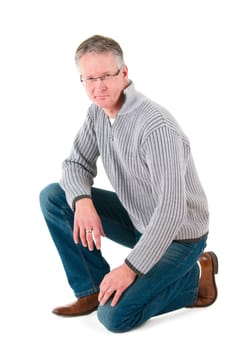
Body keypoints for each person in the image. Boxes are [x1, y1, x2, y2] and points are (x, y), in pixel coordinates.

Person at [39, 34, 218, 333]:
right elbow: (74, 165)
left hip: (180, 236)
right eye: (90, 78)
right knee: (56, 197)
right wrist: (82, 201)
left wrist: (131, 268)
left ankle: (192, 278)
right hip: (140, 220)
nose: (99, 87)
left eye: (107, 76)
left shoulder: (155, 126)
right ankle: (93, 289)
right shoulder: (97, 113)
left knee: (115, 317)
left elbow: (171, 211)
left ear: (124, 74)